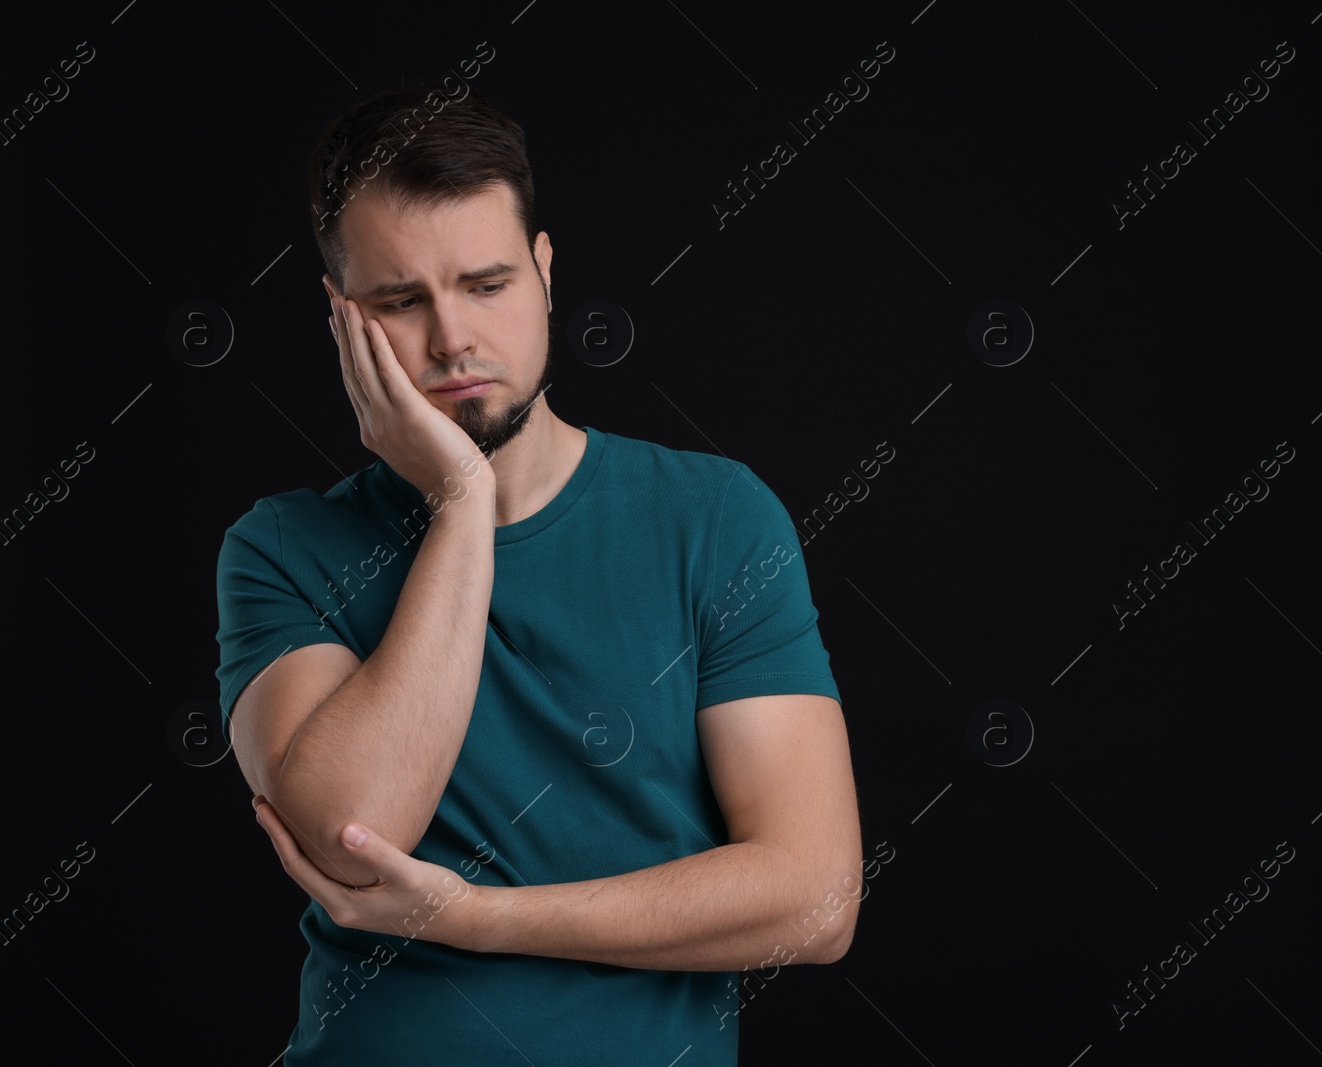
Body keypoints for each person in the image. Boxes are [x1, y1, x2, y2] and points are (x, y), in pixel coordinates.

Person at [214, 83, 861, 1066]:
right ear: (342, 318)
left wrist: (475, 916)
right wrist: (463, 498)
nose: (453, 340)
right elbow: (355, 828)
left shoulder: (715, 518)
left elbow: (815, 898)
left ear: (545, 272)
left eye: (486, 284)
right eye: (400, 301)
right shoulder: (282, 546)